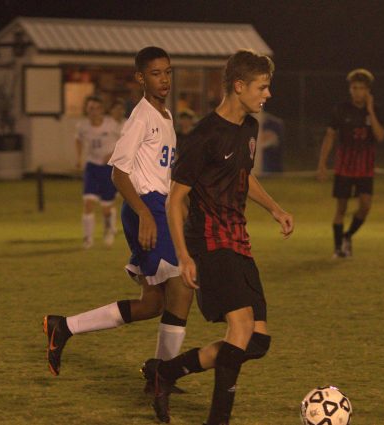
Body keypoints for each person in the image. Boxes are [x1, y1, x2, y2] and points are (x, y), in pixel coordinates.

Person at [141, 49, 294, 425]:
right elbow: (176, 199)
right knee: (240, 327)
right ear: (239, 86)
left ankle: (166, 371)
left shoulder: (250, 128)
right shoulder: (203, 136)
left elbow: (243, 175)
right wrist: (184, 255)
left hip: (238, 239)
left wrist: (274, 208)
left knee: (256, 341)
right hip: (208, 241)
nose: (268, 94)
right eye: (263, 87)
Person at [44, 48, 194, 393]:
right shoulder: (141, 116)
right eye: (156, 73)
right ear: (141, 78)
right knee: (183, 286)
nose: (165, 79)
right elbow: (118, 173)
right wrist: (144, 212)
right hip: (146, 207)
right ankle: (162, 376)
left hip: (159, 207)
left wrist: (176, 207)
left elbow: (162, 171)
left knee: (152, 304)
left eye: (168, 72)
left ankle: (63, 326)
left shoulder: (167, 116)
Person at [316, 68, 384, 258]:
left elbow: (380, 136)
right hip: (344, 168)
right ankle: (338, 248)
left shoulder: (375, 110)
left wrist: (370, 111)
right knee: (341, 209)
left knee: (365, 206)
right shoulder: (341, 109)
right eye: (354, 87)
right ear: (350, 89)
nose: (357, 91)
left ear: (368, 90)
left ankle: (348, 235)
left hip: (365, 168)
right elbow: (330, 136)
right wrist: (322, 164)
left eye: (361, 88)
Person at [76, 96, 120, 248]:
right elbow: (78, 140)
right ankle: (87, 238)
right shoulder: (83, 126)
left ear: (101, 110)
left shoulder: (111, 124)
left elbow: (125, 141)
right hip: (92, 167)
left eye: (95, 108)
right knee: (88, 202)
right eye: (90, 109)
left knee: (106, 206)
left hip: (108, 168)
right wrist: (79, 158)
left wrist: (113, 154)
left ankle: (109, 230)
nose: (92, 112)